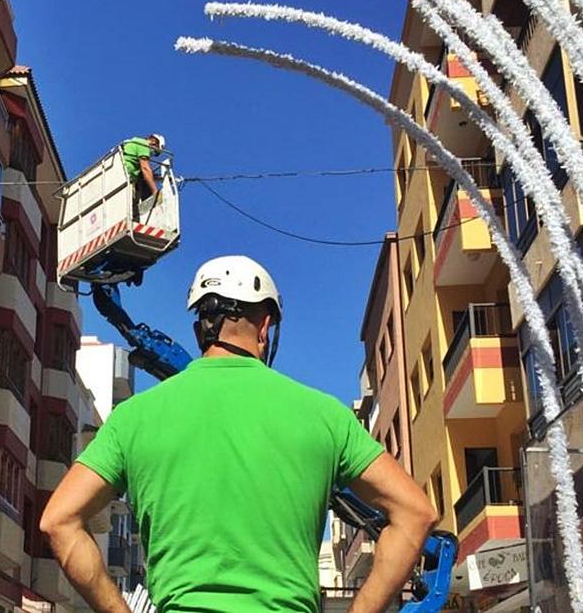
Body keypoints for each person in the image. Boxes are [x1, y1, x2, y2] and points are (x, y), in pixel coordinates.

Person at [39, 256, 437, 613]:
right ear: (266, 325)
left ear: (200, 330)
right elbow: (416, 513)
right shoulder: (324, 416)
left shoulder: (134, 418)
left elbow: (58, 521)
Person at [120, 133, 166, 203]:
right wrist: (155, 192)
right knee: (146, 183)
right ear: (153, 142)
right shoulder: (143, 145)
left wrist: (158, 177)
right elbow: (145, 168)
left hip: (121, 174)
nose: (152, 154)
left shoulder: (134, 142)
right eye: (155, 151)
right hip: (125, 178)